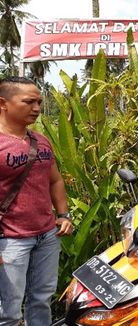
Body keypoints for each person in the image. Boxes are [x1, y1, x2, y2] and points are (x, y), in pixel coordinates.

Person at [0, 77, 73, 326]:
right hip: (9, 239)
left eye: (39, 102)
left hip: (46, 236)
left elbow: (55, 181)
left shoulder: (40, 141)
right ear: (3, 104)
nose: (37, 108)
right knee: (7, 309)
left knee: (41, 299)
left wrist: (64, 215)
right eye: (29, 101)